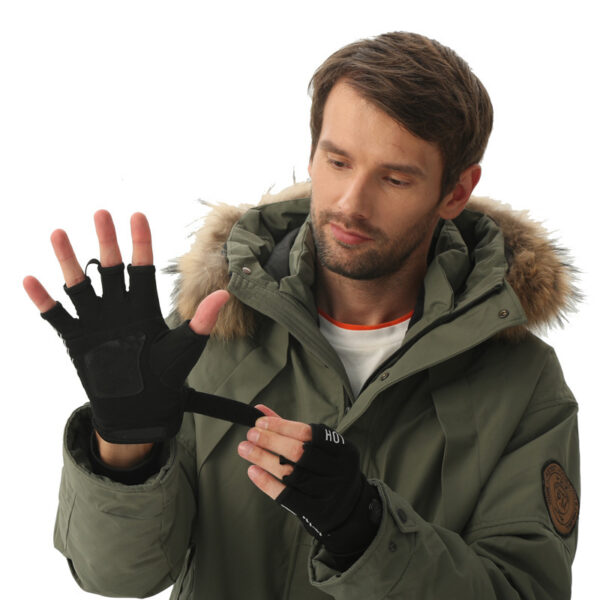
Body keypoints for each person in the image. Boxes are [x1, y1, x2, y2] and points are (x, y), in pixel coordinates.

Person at [24, 31, 580, 599]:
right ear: (313, 154)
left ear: (456, 191)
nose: (350, 203)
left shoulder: (523, 385)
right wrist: (123, 450)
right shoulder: (211, 335)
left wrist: (366, 532)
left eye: (394, 179)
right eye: (337, 161)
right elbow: (120, 576)